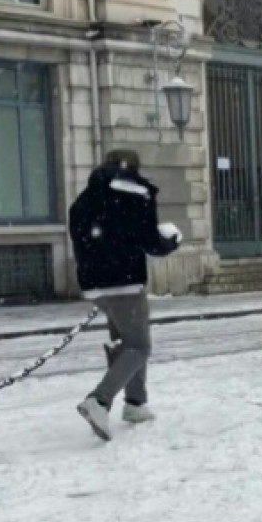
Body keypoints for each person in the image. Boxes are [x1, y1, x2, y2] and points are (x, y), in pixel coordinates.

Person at [68, 149, 182, 441]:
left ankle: (135, 403)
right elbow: (149, 240)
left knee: (123, 341)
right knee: (139, 346)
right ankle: (99, 400)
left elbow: (85, 240)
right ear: (134, 166)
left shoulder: (83, 200)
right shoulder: (136, 192)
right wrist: (170, 242)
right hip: (125, 280)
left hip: (93, 284)